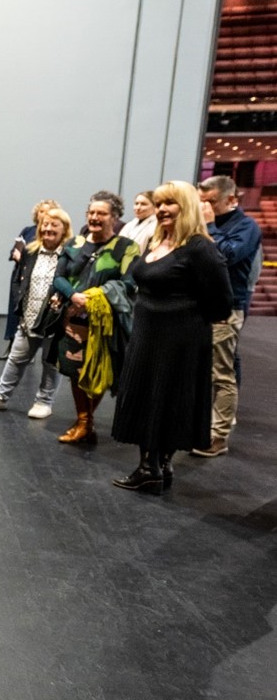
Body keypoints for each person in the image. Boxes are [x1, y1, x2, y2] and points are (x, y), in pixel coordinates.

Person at [110, 180, 232, 492]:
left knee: (168, 398)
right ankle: (155, 466)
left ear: (186, 206)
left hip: (180, 339)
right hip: (147, 334)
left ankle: (153, 466)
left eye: (170, 203)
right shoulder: (155, 241)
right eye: (160, 203)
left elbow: (221, 303)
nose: (163, 209)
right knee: (148, 396)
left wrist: (183, 316)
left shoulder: (200, 248)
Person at [49, 195, 139, 444]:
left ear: (115, 217)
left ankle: (86, 421)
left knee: (99, 370)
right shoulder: (74, 243)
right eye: (91, 213)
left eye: (101, 213)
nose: (94, 218)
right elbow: (58, 277)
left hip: (105, 324)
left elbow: (129, 283)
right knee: (76, 372)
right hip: (72, 321)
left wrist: (93, 296)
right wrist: (73, 296)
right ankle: (84, 421)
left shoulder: (126, 247)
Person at [0, 208, 72, 418]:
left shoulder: (70, 254)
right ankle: (0, 397)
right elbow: (22, 280)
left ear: (64, 229)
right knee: (16, 359)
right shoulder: (31, 251)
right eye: (45, 224)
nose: (47, 228)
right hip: (29, 316)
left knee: (50, 362)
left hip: (54, 319)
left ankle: (44, 402)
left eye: (53, 225)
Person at [192, 175, 262, 457]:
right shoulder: (205, 223)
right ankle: (201, 425)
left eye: (210, 202)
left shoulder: (247, 226)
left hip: (227, 307)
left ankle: (218, 437)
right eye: (201, 201)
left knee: (221, 372)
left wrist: (208, 227)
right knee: (205, 368)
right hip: (199, 305)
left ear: (231, 200)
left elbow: (227, 256)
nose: (204, 207)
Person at [0, 199, 58, 360]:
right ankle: (12, 344)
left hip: (39, 280)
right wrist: (16, 254)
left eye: (47, 212)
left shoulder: (52, 233)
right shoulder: (28, 231)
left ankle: (30, 350)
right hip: (20, 276)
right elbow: (15, 249)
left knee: (35, 314)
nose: (43, 215)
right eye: (41, 211)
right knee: (15, 311)